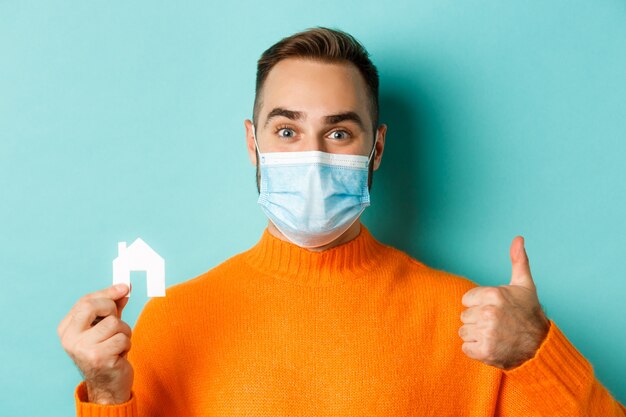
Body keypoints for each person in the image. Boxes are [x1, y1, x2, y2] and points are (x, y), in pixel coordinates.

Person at [58, 27, 626, 416]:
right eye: (287, 132)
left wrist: (536, 353)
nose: (313, 155)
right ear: (252, 146)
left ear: (376, 148)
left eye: (338, 132)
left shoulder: (474, 329)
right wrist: (108, 396)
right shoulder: (170, 323)